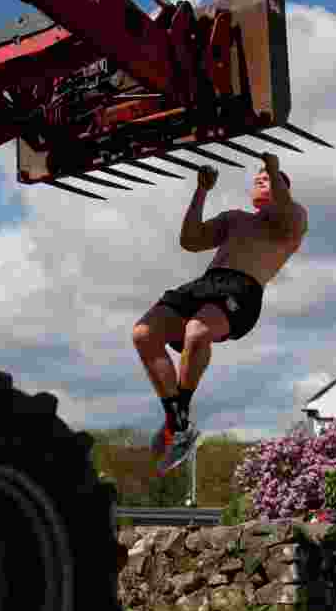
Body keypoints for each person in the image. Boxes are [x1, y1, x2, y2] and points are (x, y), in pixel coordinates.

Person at [132, 152, 309, 474]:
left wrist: (274, 169)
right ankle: (178, 421)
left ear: (283, 187)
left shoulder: (293, 217)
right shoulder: (235, 218)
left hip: (243, 288)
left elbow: (283, 211)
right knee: (144, 334)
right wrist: (201, 191)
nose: (259, 179)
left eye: (266, 178)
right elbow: (190, 240)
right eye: (257, 177)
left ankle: (179, 419)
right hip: (206, 283)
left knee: (197, 332)